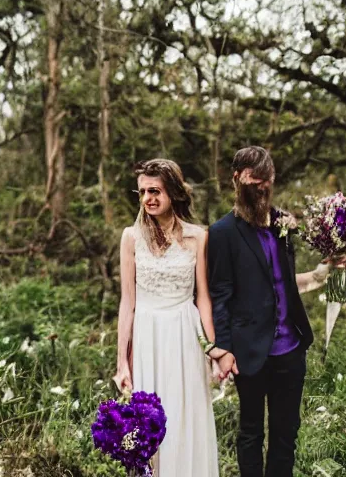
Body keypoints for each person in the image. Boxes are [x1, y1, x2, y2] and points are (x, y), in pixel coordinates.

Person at [206, 146, 346, 477]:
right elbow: (219, 296)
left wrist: (324, 271)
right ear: (237, 179)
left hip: (291, 350)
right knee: (251, 433)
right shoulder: (222, 233)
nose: (262, 187)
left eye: (267, 180)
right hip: (248, 350)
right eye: (255, 180)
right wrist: (222, 349)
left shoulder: (284, 225)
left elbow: (282, 281)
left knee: (286, 434)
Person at [112, 158, 220, 476]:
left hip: (185, 335)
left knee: (185, 415)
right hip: (147, 336)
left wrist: (213, 351)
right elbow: (127, 301)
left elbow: (203, 299)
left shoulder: (197, 237)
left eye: (156, 191)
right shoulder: (130, 238)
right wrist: (122, 361)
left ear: (172, 191)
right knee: (148, 423)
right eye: (143, 192)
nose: (149, 199)